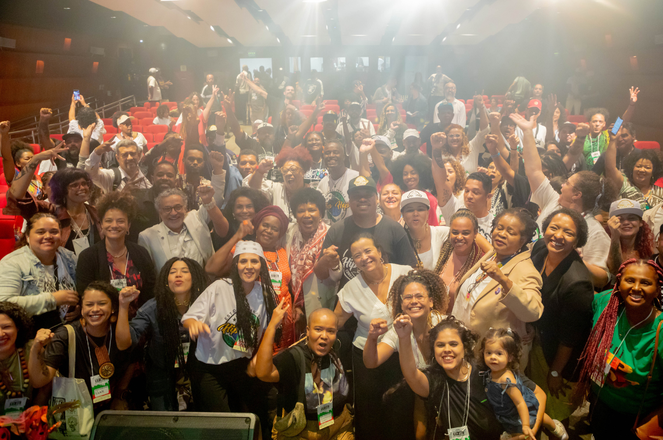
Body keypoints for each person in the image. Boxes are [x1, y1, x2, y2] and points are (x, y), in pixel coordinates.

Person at [182, 241, 277, 438]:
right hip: (209, 367)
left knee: (252, 417)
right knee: (222, 423)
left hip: (241, 365)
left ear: (261, 265)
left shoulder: (264, 293)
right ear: (236, 265)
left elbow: (266, 332)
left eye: (254, 261)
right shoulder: (220, 287)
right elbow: (189, 317)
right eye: (243, 261)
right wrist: (193, 324)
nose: (249, 266)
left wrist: (256, 359)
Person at [397, 316, 547, 440]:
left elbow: (539, 394)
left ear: (465, 347)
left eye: (453, 344)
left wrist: (529, 431)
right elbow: (411, 375)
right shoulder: (435, 379)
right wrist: (404, 337)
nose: (447, 350)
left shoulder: (489, 369)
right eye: (440, 345)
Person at [513, 113, 614, 288]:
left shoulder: (594, 231)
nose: (561, 185)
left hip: (557, 292)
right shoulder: (553, 201)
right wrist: (528, 133)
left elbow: (603, 278)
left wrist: (573, 259)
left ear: (577, 194)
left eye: (567, 183)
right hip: (526, 280)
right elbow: (534, 171)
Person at [333, 233, 415, 440]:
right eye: (357, 255)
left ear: (379, 251)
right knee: (370, 411)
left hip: (403, 353)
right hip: (367, 356)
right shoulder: (351, 288)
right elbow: (336, 321)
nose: (364, 257)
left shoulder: (405, 273)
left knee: (401, 407)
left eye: (368, 251)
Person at [575, 259, 663, 439]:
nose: (636, 288)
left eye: (645, 283)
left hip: (636, 419)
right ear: (619, 283)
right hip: (599, 404)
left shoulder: (660, 332)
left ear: (657, 290)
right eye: (630, 280)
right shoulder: (606, 304)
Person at [115, 257, 209, 411]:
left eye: (185, 271)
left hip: (198, 372)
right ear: (166, 280)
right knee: (165, 421)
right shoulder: (153, 307)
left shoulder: (206, 305)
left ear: (194, 278)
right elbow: (123, 343)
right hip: (160, 373)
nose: (178, 275)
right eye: (173, 272)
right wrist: (123, 306)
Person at [454, 208, 543, 367]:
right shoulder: (493, 254)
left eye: (510, 232)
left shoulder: (525, 270)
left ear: (522, 240)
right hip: (467, 349)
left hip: (494, 360)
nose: (502, 234)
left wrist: (504, 281)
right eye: (499, 228)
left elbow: (533, 311)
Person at [528, 208, 594, 423]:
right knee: (536, 404)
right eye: (554, 228)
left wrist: (556, 372)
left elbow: (570, 338)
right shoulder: (540, 249)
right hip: (539, 341)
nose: (558, 236)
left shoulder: (577, 282)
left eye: (568, 232)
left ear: (578, 240)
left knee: (554, 411)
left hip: (560, 357)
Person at [28, 281, 132, 413]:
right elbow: (39, 381)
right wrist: (35, 348)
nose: (95, 309)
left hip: (109, 409)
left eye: (102, 303)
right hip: (74, 410)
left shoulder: (118, 331)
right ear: (82, 310)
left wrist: (119, 395)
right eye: (89, 304)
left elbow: (131, 357)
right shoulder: (66, 335)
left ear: (113, 308)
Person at [206, 206, 297, 350]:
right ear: (257, 226)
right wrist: (237, 236)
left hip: (284, 323)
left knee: (280, 360)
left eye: (275, 228)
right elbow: (211, 268)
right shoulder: (244, 249)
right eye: (265, 225)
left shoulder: (283, 253)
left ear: (280, 234)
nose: (269, 230)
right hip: (254, 319)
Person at [254, 307, 353, 440]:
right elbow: (263, 373)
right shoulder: (294, 357)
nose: (324, 336)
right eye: (318, 329)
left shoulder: (338, 347)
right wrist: (271, 327)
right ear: (308, 330)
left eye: (330, 331)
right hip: (302, 431)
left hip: (340, 427)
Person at [315, 175, 417, 288]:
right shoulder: (337, 230)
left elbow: (411, 271)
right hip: (349, 297)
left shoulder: (394, 229)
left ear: (377, 199)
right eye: (356, 195)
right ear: (349, 201)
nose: (362, 199)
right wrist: (326, 261)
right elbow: (320, 275)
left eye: (368, 195)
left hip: (387, 296)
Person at [479, 328, 569, 440]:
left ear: (510, 357)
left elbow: (520, 403)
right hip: (508, 410)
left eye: (499, 353)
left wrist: (525, 425)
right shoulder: (490, 372)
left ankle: (555, 427)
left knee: (534, 415)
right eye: (489, 353)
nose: (493, 357)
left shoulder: (506, 380)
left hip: (521, 410)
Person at [5, 152, 102, 255]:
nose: (82, 188)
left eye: (84, 183)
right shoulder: (50, 212)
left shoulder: (96, 213)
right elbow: (16, 198)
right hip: (60, 265)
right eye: (74, 185)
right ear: (63, 190)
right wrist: (34, 160)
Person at [76, 192, 156, 309]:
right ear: (101, 224)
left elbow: (150, 291)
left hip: (140, 317)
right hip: (103, 317)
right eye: (108, 220)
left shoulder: (141, 253)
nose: (114, 225)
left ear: (128, 225)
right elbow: (85, 295)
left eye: (120, 221)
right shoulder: (88, 257)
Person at [0, 213, 78, 330]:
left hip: (66, 332)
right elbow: (4, 305)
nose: (48, 236)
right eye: (40, 232)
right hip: (32, 335)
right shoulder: (12, 263)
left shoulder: (69, 258)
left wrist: (79, 309)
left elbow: (82, 290)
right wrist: (52, 299)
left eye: (54, 232)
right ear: (27, 236)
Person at [363, 269, 448, 370]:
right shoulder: (398, 331)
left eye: (419, 296)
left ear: (431, 302)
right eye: (408, 297)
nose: (414, 301)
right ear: (402, 304)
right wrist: (372, 337)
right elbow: (371, 363)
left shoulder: (447, 325)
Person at [138, 188, 224, 273]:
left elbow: (217, 197)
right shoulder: (147, 237)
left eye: (178, 207)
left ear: (185, 208)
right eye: (167, 209)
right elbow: (147, 273)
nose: (173, 213)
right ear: (160, 212)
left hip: (204, 281)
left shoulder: (197, 219)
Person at [288, 188, 336, 326]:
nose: (306, 215)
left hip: (322, 303)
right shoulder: (289, 233)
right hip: (294, 306)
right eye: (301, 211)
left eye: (312, 210)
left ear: (321, 213)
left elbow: (337, 274)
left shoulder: (331, 234)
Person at [433, 137, 494, 239]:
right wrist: (436, 149)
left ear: (488, 196)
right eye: (467, 191)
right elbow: (440, 182)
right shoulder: (455, 211)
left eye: (475, 192)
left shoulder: (495, 224)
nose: (469, 196)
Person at [433, 209, 488, 313]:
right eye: (455, 232)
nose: (459, 237)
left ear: (475, 234)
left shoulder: (481, 262)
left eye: (465, 233)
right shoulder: (444, 250)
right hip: (437, 317)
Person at [0, 302, 49, 415]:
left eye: (6, 327)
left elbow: (46, 386)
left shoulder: (31, 349)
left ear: (18, 327)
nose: (1, 334)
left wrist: (32, 417)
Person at [248, 146, 313, 223]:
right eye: (285, 170)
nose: (288, 173)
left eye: (293, 169)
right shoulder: (276, 188)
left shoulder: (313, 193)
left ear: (303, 172)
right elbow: (253, 187)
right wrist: (259, 171)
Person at [604, 128, 663, 210]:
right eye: (638, 166)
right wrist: (613, 140)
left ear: (654, 171)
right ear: (632, 168)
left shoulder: (660, 191)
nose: (642, 170)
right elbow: (610, 168)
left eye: (647, 167)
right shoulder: (624, 183)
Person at [81, 133, 152, 193]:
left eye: (132, 154)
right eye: (125, 155)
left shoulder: (146, 177)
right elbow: (90, 174)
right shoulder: (111, 176)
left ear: (139, 155)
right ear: (118, 158)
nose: (130, 158)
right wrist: (97, 152)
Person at [400, 190, 449, 270]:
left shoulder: (441, 233)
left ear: (427, 213)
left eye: (420, 209)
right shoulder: (398, 239)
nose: (415, 214)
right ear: (403, 215)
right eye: (410, 210)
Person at [606, 199, 654, 276]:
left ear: (641, 223)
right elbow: (616, 273)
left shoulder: (648, 251)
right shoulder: (604, 247)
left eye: (632, 218)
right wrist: (615, 236)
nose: (626, 222)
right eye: (620, 219)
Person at [390, 153, 439, 226]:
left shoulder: (430, 199)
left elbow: (433, 225)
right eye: (405, 174)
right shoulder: (398, 196)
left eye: (413, 173)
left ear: (421, 175)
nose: (409, 177)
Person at [316, 140, 359, 225]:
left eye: (336, 152)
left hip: (353, 230)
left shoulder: (356, 178)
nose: (331, 155)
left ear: (343, 156)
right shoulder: (323, 183)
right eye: (327, 153)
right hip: (331, 231)